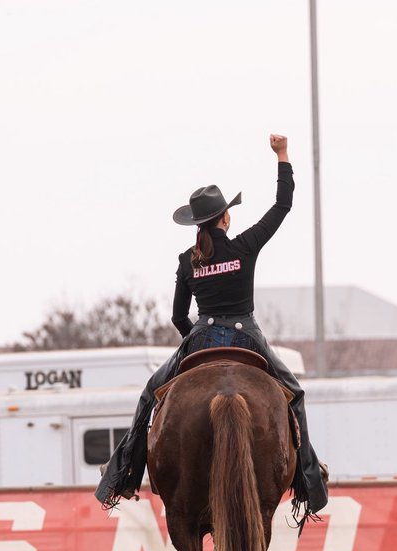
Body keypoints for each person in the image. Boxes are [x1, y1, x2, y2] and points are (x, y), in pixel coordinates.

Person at [95, 134, 328, 522]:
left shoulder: (188, 260)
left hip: (200, 334)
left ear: (197, 223)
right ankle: (309, 481)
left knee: (150, 396)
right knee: (295, 395)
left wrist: (195, 340)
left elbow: (176, 317)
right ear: (226, 217)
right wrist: (282, 156)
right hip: (247, 335)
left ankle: (121, 476)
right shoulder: (244, 247)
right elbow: (282, 205)